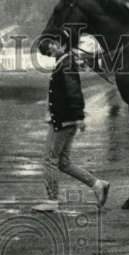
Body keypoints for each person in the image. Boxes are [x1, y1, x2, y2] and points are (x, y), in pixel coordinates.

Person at [33, 41, 110, 211]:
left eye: (53, 44)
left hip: (62, 120)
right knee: (64, 163)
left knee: (49, 159)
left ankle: (52, 200)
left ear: (62, 44)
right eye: (48, 48)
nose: (51, 49)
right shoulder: (65, 62)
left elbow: (73, 90)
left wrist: (78, 115)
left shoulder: (66, 64)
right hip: (66, 119)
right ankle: (97, 185)